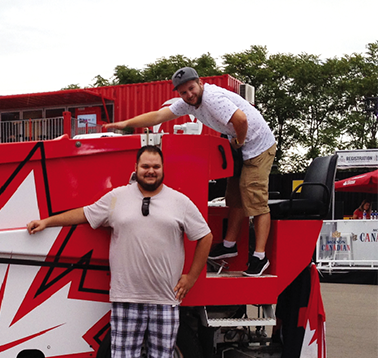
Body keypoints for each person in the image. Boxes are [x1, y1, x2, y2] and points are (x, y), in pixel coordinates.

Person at [27, 145, 212, 358]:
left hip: (165, 296)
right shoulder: (117, 198)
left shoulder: (180, 202)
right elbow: (84, 214)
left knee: (163, 355)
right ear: (136, 168)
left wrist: (191, 276)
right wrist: (47, 222)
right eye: (145, 166)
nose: (150, 171)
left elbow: (205, 236)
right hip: (127, 295)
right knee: (124, 356)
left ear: (163, 170)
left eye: (156, 167)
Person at [104, 67, 277, 276]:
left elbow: (241, 120)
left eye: (191, 89)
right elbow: (159, 115)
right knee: (235, 197)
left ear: (200, 83)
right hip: (242, 145)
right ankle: (230, 246)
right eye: (183, 92)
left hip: (258, 145)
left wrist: (238, 142)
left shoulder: (212, 98)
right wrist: (126, 124)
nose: (189, 95)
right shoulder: (189, 103)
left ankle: (260, 257)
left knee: (254, 198)